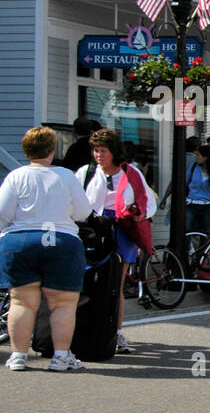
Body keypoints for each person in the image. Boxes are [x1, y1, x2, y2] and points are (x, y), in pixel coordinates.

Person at [0, 126, 92, 371]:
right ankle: (61, 356)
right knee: (63, 302)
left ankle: (18, 356)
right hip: (60, 240)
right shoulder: (65, 175)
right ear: (52, 150)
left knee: (20, 301)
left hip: (20, 240)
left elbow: (3, 213)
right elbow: (84, 212)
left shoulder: (16, 176)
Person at [80, 128, 152, 356]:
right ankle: (86, 330)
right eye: (95, 150)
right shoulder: (86, 172)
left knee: (115, 285)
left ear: (114, 151)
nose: (98, 155)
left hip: (121, 228)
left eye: (103, 150)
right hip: (93, 228)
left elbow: (148, 200)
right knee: (88, 281)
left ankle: (116, 331)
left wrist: (140, 212)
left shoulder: (131, 173)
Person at [183, 143, 210, 236]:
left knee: (206, 236)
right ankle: (186, 250)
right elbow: (184, 183)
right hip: (191, 204)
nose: (195, 157)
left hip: (208, 207)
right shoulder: (193, 167)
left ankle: (203, 251)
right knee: (186, 233)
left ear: (205, 157)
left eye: (198, 155)